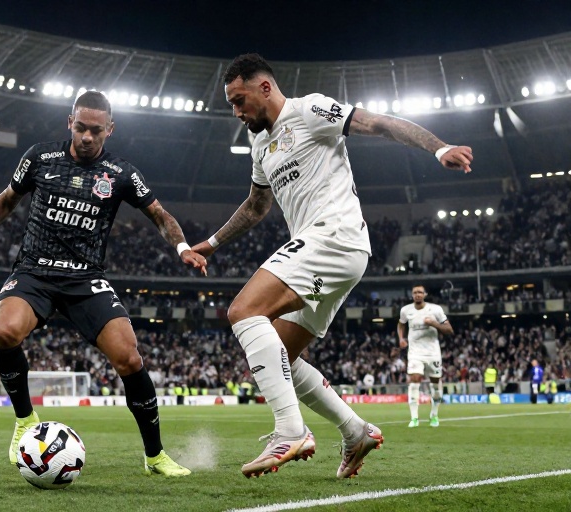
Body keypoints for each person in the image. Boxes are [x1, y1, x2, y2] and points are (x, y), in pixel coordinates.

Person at [191, 54, 472, 478]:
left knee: (243, 311)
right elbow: (256, 206)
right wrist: (212, 244)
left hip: (334, 236)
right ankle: (355, 431)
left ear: (264, 87)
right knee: (280, 356)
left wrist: (439, 147)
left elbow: (378, 123)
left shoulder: (309, 110)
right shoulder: (260, 143)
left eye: (239, 100)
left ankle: (290, 430)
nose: (236, 112)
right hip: (325, 249)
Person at [0, 91, 206, 477]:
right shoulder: (40, 157)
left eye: (96, 130)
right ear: (70, 122)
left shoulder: (121, 173)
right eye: (80, 127)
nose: (86, 136)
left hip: (86, 279)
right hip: (34, 272)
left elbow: (159, 215)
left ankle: (155, 456)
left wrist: (182, 247)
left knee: (129, 358)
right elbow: (7, 200)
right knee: (5, 330)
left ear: (110, 129)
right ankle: (24, 419)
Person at [398, 284, 454, 427]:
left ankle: (434, 415)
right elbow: (401, 324)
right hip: (415, 353)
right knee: (414, 380)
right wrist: (401, 338)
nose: (417, 294)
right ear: (412, 295)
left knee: (435, 384)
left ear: (425, 294)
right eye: (415, 292)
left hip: (433, 353)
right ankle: (414, 418)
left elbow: (449, 330)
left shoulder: (436, 309)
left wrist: (434, 323)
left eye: (420, 292)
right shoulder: (405, 310)